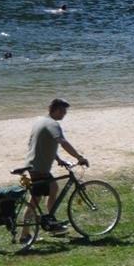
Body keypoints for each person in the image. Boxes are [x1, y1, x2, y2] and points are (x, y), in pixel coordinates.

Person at [25, 98, 88, 228]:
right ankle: (26, 234)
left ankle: (51, 221)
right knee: (35, 200)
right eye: (64, 111)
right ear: (58, 110)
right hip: (39, 167)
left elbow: (43, 143)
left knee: (53, 188)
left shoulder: (40, 121)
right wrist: (79, 157)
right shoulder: (53, 124)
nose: (65, 114)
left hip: (34, 165)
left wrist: (58, 159)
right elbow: (62, 142)